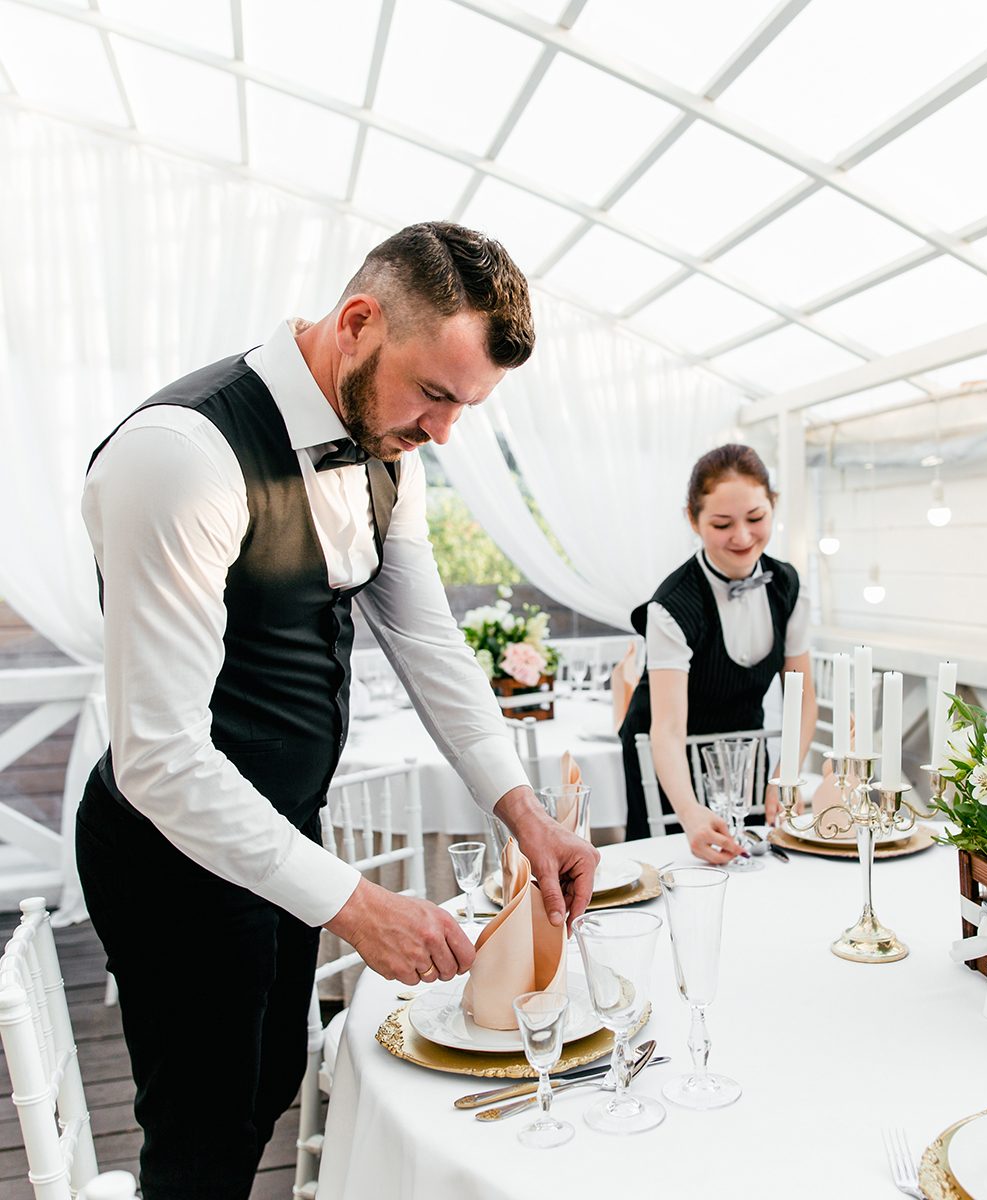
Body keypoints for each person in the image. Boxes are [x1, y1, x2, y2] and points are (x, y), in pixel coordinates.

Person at [77, 222, 599, 1200]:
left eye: (466, 407)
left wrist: (522, 812)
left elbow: (428, 642)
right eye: (436, 393)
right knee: (199, 1140)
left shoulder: (389, 446)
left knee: (270, 1082)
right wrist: (358, 906)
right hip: (168, 856)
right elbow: (158, 758)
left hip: (284, 835)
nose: (444, 431)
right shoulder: (181, 456)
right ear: (358, 323)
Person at [618, 444, 817, 862]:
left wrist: (787, 775)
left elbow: (802, 701)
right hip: (668, 761)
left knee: (757, 864)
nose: (743, 537)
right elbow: (667, 729)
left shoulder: (787, 586)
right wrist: (688, 812)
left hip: (744, 755)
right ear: (693, 519)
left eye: (757, 518)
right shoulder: (671, 606)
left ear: (773, 506)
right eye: (723, 523)